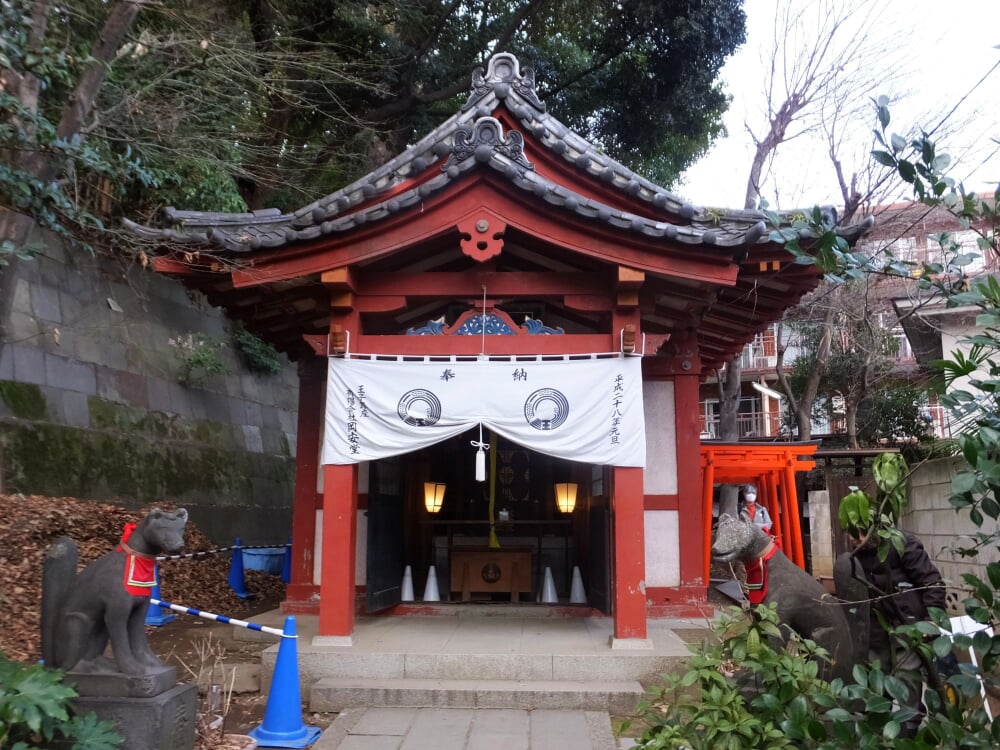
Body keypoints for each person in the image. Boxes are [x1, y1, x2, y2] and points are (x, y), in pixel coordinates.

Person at [848, 528, 946, 737]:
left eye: (858, 534)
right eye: (850, 534)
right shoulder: (857, 554)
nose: (853, 539)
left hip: (907, 619)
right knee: (877, 668)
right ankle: (878, 722)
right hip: (877, 621)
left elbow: (932, 582)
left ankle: (908, 725)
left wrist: (931, 619)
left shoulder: (902, 544)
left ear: (874, 529)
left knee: (907, 673)